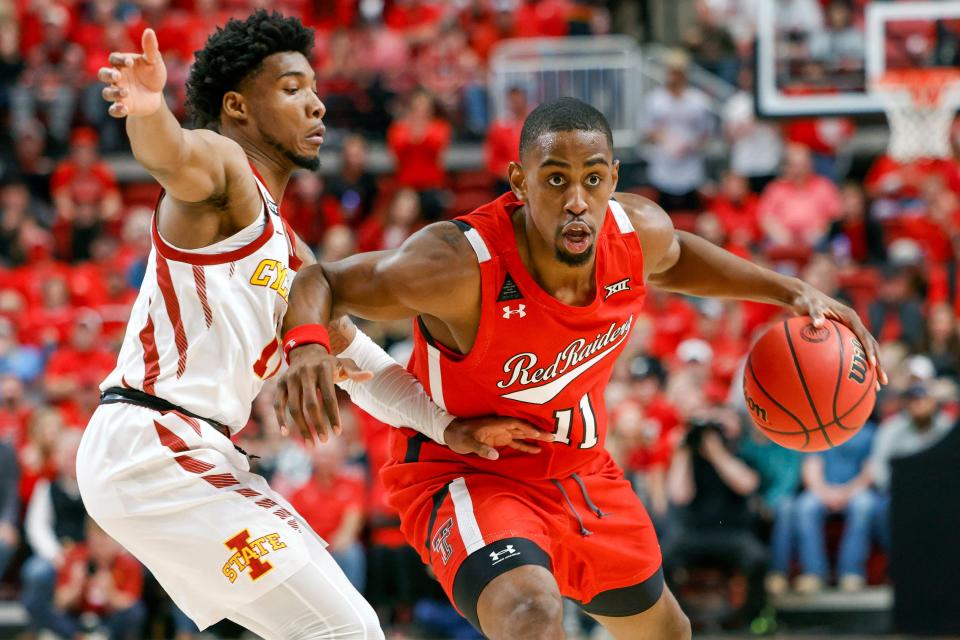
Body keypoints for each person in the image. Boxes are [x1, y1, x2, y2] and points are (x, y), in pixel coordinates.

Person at [277, 97, 885, 639]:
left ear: (613, 179)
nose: (577, 200)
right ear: (518, 180)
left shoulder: (634, 232)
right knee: (532, 614)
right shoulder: (455, 264)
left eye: (594, 180)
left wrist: (789, 291)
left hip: (579, 469)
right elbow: (322, 279)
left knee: (668, 631)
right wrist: (307, 344)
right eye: (555, 179)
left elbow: (675, 259)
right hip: (467, 470)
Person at [78, 12, 543, 639]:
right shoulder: (224, 170)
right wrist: (147, 111)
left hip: (172, 452)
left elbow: (360, 363)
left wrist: (447, 425)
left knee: (320, 631)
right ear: (239, 106)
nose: (318, 105)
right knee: (348, 631)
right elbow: (175, 154)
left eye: (315, 88)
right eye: (293, 89)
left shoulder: (290, 250)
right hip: (156, 445)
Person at [50, 518, 146, 640]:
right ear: (88, 537)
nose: (102, 548)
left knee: (135, 612)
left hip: (108, 621)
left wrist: (110, 591)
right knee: (49, 610)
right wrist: (76, 585)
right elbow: (59, 602)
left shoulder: (129, 564)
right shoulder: (75, 557)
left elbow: (130, 604)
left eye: (106, 542)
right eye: (97, 542)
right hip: (78, 617)